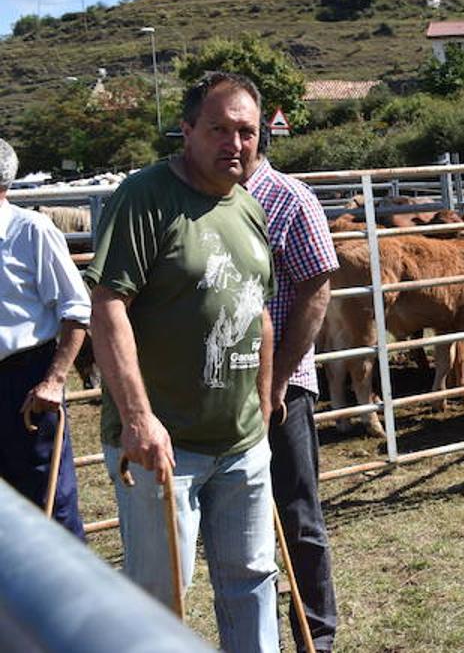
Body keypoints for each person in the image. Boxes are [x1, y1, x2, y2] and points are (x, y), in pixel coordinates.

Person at [87, 72, 279, 653]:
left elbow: (259, 313)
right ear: (187, 129)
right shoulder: (146, 197)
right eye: (219, 129)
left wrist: (264, 405)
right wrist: (138, 419)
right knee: (161, 597)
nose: (235, 144)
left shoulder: (248, 207)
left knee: (252, 581)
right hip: (165, 446)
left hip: (241, 442)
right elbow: (107, 305)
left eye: (246, 131)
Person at [242, 120, 340, 651]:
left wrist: (277, 380)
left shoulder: (289, 199)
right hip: (220, 389)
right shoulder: (202, 200)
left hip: (283, 386)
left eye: (246, 132)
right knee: (240, 523)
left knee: (297, 515)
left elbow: (316, 291)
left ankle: (315, 638)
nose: (234, 144)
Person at [0, 138, 90, 538]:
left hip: (24, 382)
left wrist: (54, 381)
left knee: (48, 505)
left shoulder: (31, 230)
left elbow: (77, 309)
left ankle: (69, 597)